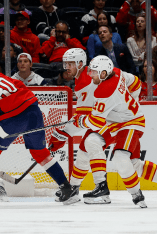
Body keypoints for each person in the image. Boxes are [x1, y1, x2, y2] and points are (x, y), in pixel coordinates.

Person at [0, 63, 80, 205]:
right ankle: (67, 189)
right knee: (40, 153)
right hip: (33, 112)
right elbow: (20, 86)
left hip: (11, 120)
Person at [77, 56, 157, 207]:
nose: (91, 75)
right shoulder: (116, 72)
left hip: (130, 123)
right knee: (129, 161)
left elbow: (95, 122)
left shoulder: (104, 91)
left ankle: (137, 195)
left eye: (94, 72)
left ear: (104, 73)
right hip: (118, 123)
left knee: (120, 157)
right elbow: (135, 82)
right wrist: (129, 102)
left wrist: (79, 121)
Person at [50, 49, 138, 204]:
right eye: (66, 63)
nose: (66, 67)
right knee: (83, 152)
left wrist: (61, 134)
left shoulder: (86, 82)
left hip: (113, 123)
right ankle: (75, 189)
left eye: (70, 63)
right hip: (104, 120)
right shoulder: (85, 76)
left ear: (80, 64)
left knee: (90, 144)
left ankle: (101, 189)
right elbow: (135, 81)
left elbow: (81, 120)